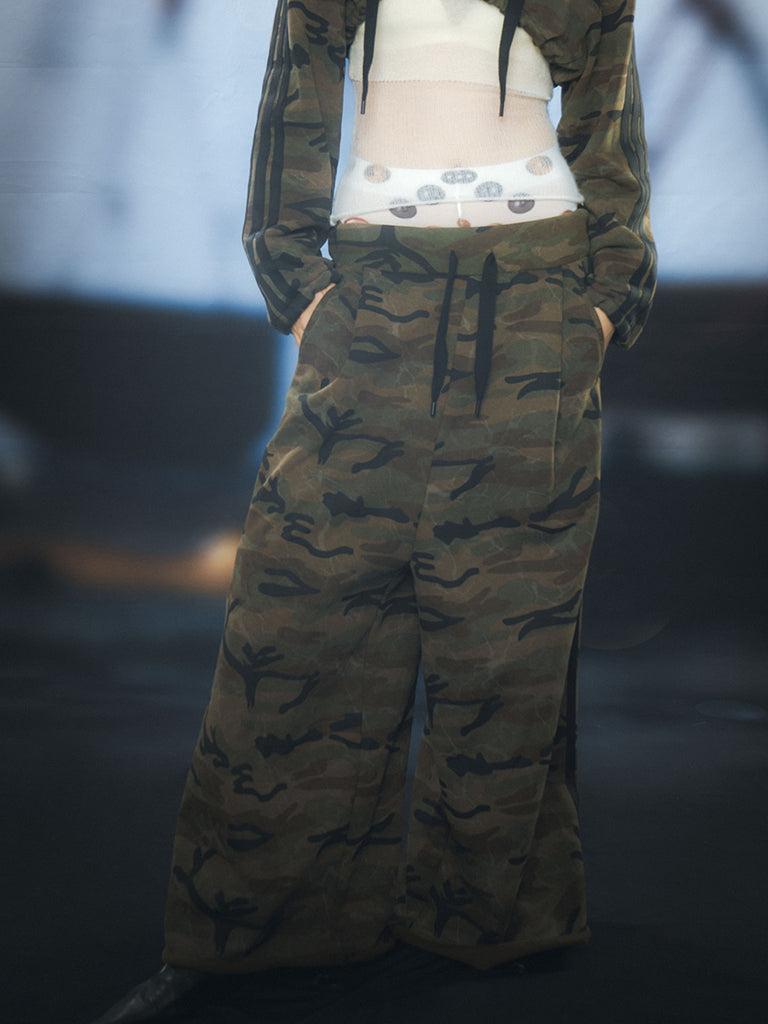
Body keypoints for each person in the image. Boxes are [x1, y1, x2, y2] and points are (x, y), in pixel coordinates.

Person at [90, 1, 655, 1020]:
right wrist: (306, 294)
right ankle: (255, 930)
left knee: (507, 648)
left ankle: (489, 927)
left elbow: (610, 140)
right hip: (375, 301)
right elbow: (291, 124)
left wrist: (598, 311)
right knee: (297, 622)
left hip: (533, 305)